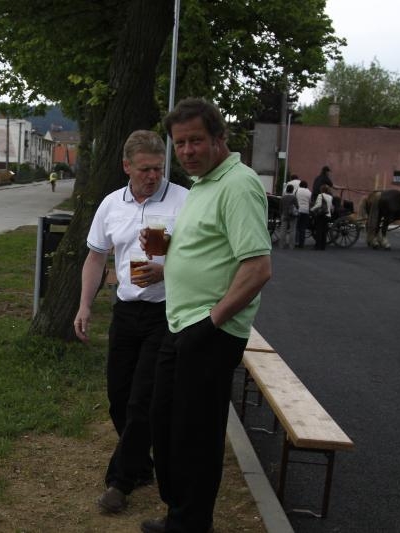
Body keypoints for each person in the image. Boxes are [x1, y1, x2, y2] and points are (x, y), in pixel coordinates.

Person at [139, 98, 271, 533]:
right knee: (165, 424)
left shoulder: (238, 184)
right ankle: (180, 514)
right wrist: (167, 256)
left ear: (219, 138)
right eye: (180, 143)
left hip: (210, 330)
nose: (187, 151)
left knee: (194, 433)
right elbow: (209, 249)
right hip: (181, 323)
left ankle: (191, 523)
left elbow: (257, 269)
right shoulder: (202, 185)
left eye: (195, 140)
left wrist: (210, 322)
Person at [73, 130, 188, 514]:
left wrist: (166, 270)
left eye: (158, 168)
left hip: (165, 313)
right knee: (118, 399)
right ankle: (142, 464)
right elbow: (96, 258)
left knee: (142, 401)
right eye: (145, 169)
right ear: (127, 166)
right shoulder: (111, 205)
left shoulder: (183, 201)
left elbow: (202, 258)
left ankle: (119, 482)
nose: (153, 176)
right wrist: (84, 306)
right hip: (125, 311)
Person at [311, 184, 333, 250]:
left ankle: (318, 246)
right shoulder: (330, 197)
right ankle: (323, 246)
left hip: (321, 215)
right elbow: (330, 207)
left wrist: (312, 209)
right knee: (324, 231)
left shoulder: (320, 195)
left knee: (319, 231)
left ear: (321, 189)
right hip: (328, 215)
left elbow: (318, 205)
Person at [279, 182, 298, 249]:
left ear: (286, 190)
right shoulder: (294, 197)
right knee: (292, 230)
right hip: (292, 215)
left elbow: (280, 207)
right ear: (292, 190)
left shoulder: (283, 197)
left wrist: (281, 213)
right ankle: (291, 245)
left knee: (283, 230)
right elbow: (297, 206)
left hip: (284, 214)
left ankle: (281, 244)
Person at [294, 180, 312, 248]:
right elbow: (310, 202)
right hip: (306, 211)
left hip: (298, 210)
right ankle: (301, 243)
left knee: (297, 227)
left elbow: (294, 199)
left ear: (300, 185)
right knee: (303, 228)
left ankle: (296, 242)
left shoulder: (297, 190)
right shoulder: (309, 192)